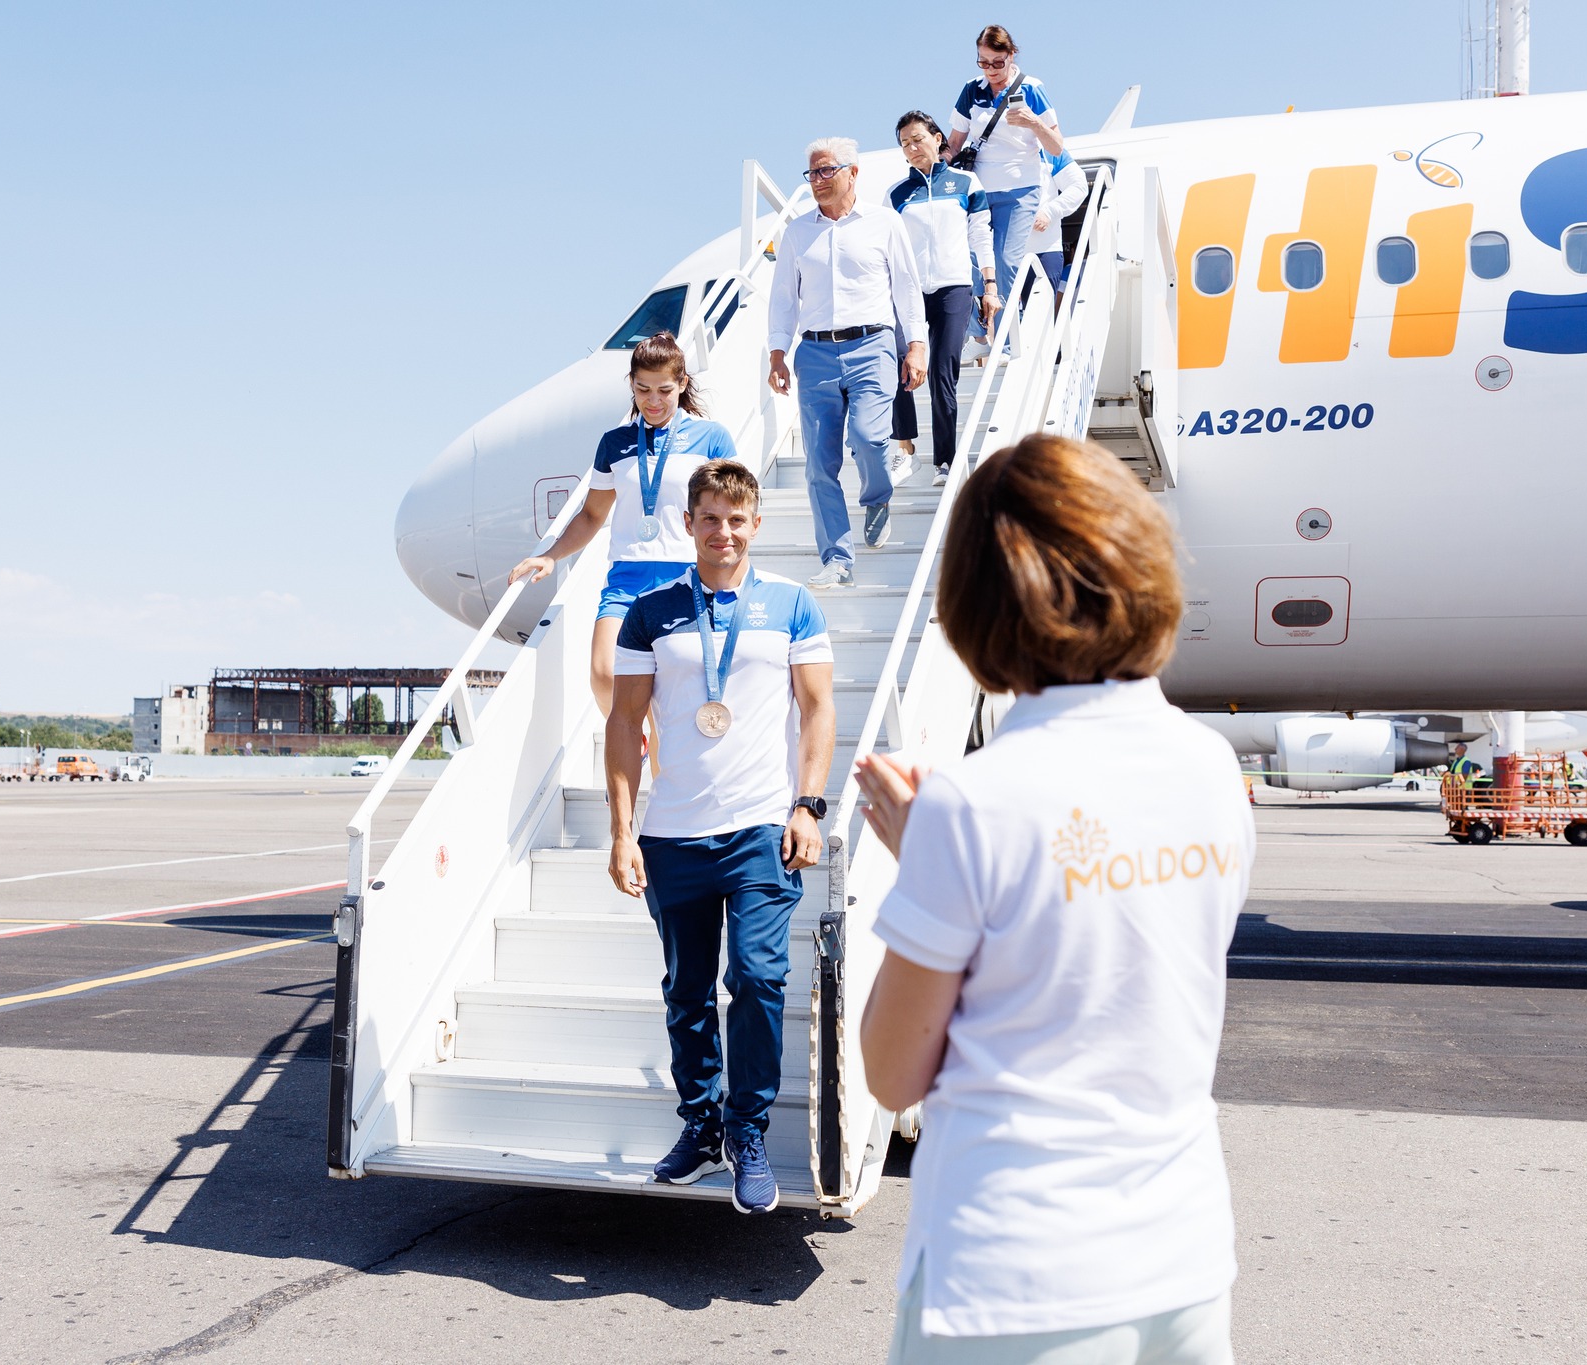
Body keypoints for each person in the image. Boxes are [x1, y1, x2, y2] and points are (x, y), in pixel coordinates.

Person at [855, 433, 1252, 1363]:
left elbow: (891, 1073)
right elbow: (1122, 956)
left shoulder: (971, 803)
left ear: (977, 606)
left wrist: (926, 867)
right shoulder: (1210, 766)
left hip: (1017, 1280)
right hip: (1185, 1257)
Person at [604, 458, 836, 1215]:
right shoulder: (652, 610)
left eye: (737, 520)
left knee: (760, 979)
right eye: (710, 518)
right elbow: (622, 723)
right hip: (672, 834)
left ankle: (749, 1131)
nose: (723, 531)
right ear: (689, 523)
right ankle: (701, 1126)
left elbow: (818, 710)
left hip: (760, 829)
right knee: (687, 992)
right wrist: (622, 830)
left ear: (755, 525)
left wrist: (808, 805)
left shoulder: (792, 605)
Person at [508, 332, 737, 723]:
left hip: (684, 577)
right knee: (603, 674)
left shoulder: (711, 438)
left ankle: (654, 756)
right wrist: (549, 556)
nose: (652, 400)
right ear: (631, 384)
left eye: (664, 390)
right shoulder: (614, 444)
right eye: (642, 389)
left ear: (682, 384)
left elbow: (733, 514)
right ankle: (637, 739)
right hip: (627, 576)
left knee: (668, 697)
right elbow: (592, 516)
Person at [767, 136, 927, 589]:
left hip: (872, 346)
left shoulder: (884, 223)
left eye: (826, 171)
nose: (817, 181)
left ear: (852, 173)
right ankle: (837, 559)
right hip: (814, 353)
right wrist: (777, 354)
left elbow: (907, 291)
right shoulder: (798, 233)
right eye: (812, 173)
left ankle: (877, 497)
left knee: (871, 437)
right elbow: (782, 300)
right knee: (819, 464)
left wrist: (916, 345)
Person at [887, 110, 997, 488]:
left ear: (937, 138)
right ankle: (905, 451)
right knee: (900, 362)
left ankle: (945, 462)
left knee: (942, 373)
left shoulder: (966, 183)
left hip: (954, 288)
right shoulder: (898, 195)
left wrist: (990, 285)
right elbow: (889, 250)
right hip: (910, 291)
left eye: (917, 139)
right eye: (904, 144)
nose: (912, 148)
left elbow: (981, 236)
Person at [944, 25, 1063, 318]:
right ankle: (981, 335)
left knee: (1006, 261)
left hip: (1020, 189)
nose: (991, 70)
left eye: (997, 63)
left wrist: (1034, 123)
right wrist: (936, 164)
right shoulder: (972, 90)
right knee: (971, 262)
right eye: (983, 63)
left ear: (1011, 56)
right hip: (979, 189)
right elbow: (954, 144)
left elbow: (1057, 146)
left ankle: (1007, 340)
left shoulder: (1031, 87)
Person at [1028, 146, 1089, 306]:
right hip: (1001, 254)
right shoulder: (987, 150)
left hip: (1044, 249)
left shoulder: (1050, 151)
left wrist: (1050, 212)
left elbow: (1079, 186)